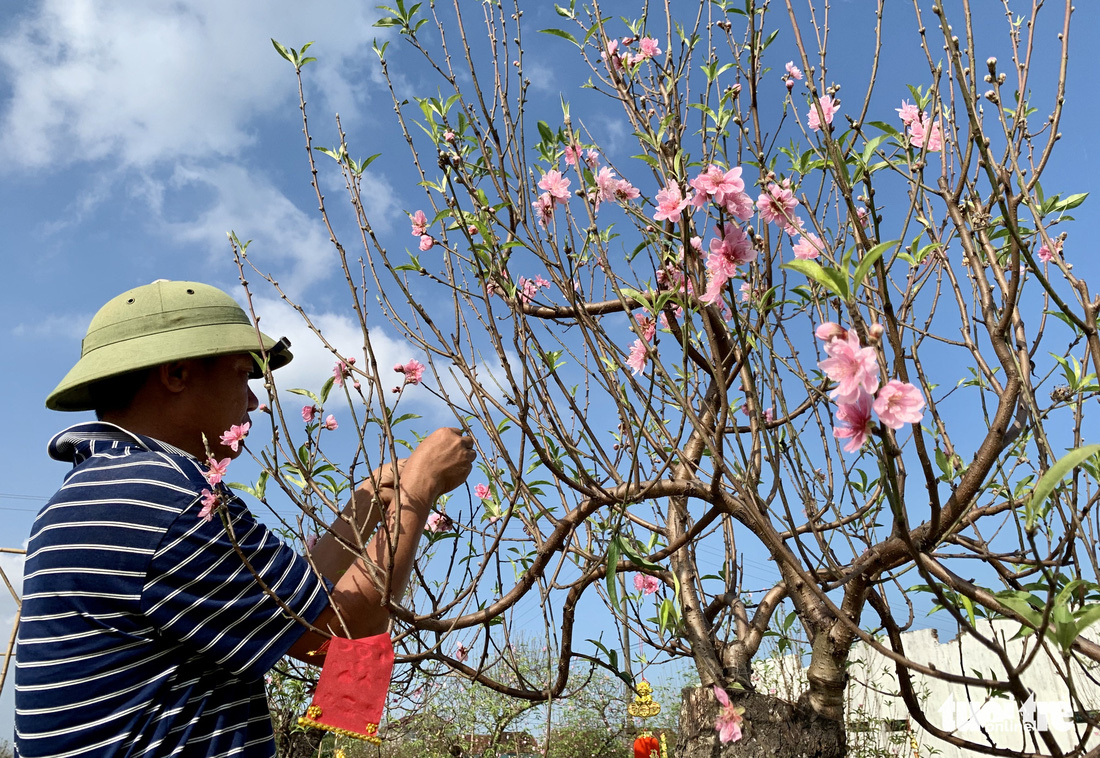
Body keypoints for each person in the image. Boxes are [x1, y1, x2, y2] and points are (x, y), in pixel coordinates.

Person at [14, 280, 475, 757]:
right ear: (175, 374)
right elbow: (343, 630)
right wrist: (420, 487)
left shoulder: (101, 490)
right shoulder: (165, 499)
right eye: (242, 375)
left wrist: (364, 504)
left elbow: (294, 603)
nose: (254, 400)